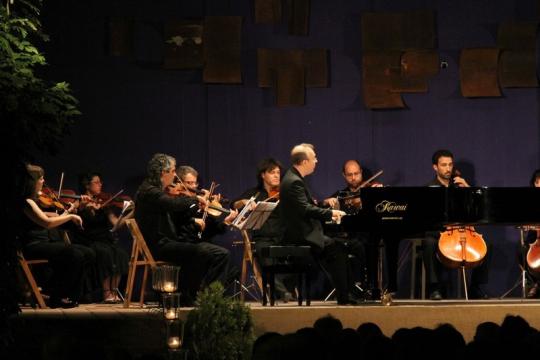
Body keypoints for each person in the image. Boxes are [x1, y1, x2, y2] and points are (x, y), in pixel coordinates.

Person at [134, 153, 229, 305]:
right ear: (163, 173)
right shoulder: (149, 191)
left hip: (166, 241)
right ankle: (189, 296)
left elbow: (176, 209)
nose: (174, 175)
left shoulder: (153, 190)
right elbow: (173, 205)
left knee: (218, 253)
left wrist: (195, 206)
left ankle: (207, 298)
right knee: (201, 251)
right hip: (159, 245)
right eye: (172, 171)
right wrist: (195, 199)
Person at [279, 143, 357, 305]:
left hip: (301, 232)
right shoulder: (294, 181)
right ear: (304, 162)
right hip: (301, 235)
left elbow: (306, 207)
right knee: (338, 248)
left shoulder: (293, 178)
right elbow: (305, 210)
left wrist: (324, 206)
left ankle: (347, 294)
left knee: (339, 246)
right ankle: (345, 296)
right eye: (314, 158)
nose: (317, 161)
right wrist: (331, 213)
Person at [18, 164, 89, 308]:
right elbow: (47, 223)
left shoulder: (34, 201)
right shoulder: (27, 202)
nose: (43, 182)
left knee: (87, 253)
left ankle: (71, 295)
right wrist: (70, 217)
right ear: (32, 182)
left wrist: (68, 212)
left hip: (43, 244)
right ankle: (58, 295)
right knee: (74, 254)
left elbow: (52, 217)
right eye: (41, 179)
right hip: (33, 246)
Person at [423, 149, 490, 300]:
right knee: (428, 243)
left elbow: (478, 210)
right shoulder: (429, 189)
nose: (448, 169)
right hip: (439, 232)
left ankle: (475, 288)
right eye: (443, 165)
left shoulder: (460, 185)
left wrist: (467, 188)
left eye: (450, 165)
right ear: (435, 167)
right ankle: (435, 288)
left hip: (462, 230)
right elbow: (426, 218)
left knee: (485, 245)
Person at [231, 158, 294, 301]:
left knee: (300, 254)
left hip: (283, 238)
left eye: (278, 172)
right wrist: (244, 202)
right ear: (263, 175)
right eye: (272, 173)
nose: (277, 175)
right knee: (265, 255)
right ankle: (283, 292)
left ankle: (282, 290)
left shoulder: (284, 193)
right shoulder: (255, 193)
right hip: (262, 239)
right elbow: (233, 204)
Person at [169, 165, 237, 288]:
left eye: (195, 183)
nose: (193, 187)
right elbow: (182, 227)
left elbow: (211, 229)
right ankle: (206, 294)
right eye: (188, 183)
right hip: (183, 243)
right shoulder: (178, 202)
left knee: (232, 267)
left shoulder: (197, 202)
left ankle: (206, 293)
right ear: (179, 183)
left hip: (198, 242)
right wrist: (197, 213)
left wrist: (226, 221)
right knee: (222, 254)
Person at [73, 172, 129, 303]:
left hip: (105, 239)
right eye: (96, 182)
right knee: (105, 253)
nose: (100, 184)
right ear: (87, 185)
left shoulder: (104, 203)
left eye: (100, 182)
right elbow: (75, 218)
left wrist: (131, 213)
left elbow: (116, 223)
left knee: (121, 254)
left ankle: (114, 291)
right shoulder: (79, 202)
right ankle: (106, 293)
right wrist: (82, 206)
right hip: (88, 240)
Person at [518, 169, 540, 298]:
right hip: (535, 240)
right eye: (538, 182)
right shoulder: (529, 201)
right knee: (521, 253)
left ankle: (538, 286)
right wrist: (526, 224)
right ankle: (535, 283)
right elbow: (523, 219)